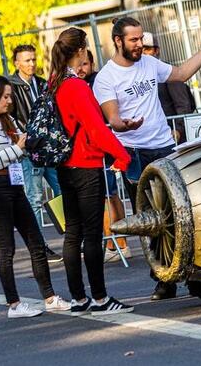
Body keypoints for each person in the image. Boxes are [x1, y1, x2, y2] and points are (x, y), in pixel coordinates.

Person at [93, 16, 201, 300]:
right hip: (134, 153)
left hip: (164, 146)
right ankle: (164, 279)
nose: (140, 45)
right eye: (134, 40)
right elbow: (112, 117)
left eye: (142, 39)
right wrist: (123, 124)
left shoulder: (149, 64)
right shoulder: (106, 78)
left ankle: (191, 274)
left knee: (181, 212)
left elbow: (180, 73)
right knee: (150, 220)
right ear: (118, 41)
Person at [0, 75, 71, 318]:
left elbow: (20, 146)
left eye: (10, 95)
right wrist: (18, 148)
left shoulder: (8, 120)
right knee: (7, 249)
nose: (9, 100)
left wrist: (27, 144)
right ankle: (13, 304)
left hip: (14, 185)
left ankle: (50, 297)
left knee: (36, 242)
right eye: (5, 96)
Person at [49, 27, 134, 316]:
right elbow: (96, 129)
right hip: (85, 165)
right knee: (92, 234)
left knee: (72, 233)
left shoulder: (55, 83)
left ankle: (78, 298)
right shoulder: (76, 87)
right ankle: (100, 298)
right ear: (81, 51)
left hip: (64, 165)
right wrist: (121, 155)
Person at [7, 44, 62, 263]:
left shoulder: (42, 83)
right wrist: (21, 141)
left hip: (49, 148)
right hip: (29, 151)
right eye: (26, 60)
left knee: (62, 189)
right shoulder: (11, 86)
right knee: (34, 197)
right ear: (17, 63)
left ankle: (73, 237)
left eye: (33, 59)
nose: (31, 63)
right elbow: (9, 118)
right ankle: (39, 246)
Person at [79, 49, 130, 262]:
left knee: (108, 195)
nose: (81, 69)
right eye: (78, 65)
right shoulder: (89, 83)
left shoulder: (95, 83)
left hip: (103, 144)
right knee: (111, 194)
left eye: (84, 64)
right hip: (104, 144)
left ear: (92, 64)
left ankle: (114, 244)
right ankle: (119, 243)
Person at [142, 32, 197, 144]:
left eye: (147, 49)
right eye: (141, 49)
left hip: (172, 137)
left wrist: (178, 129)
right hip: (150, 139)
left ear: (156, 51)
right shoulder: (140, 75)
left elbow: (183, 104)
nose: (143, 52)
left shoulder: (167, 71)